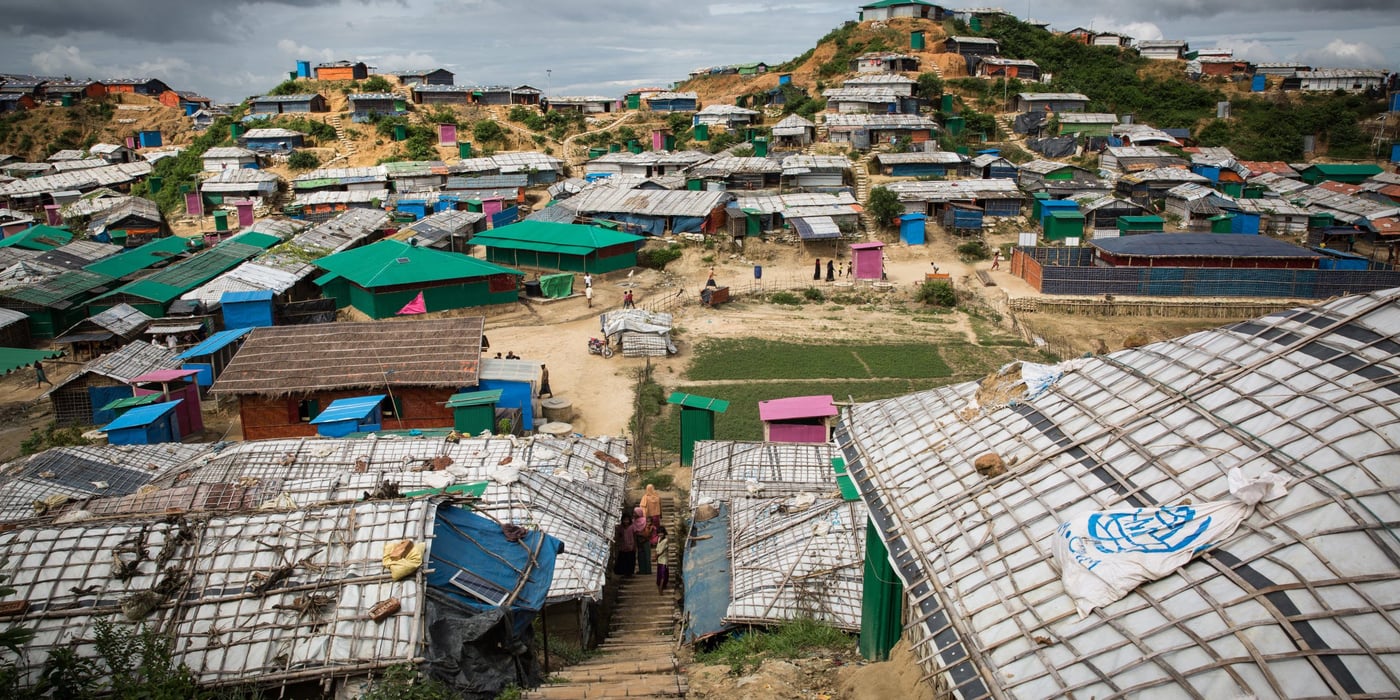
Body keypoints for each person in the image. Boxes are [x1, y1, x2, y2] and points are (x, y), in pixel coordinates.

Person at [633, 506, 652, 575]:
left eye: (635, 513)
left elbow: (649, 530)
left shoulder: (645, 520)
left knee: (647, 555)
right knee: (640, 555)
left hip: (645, 539)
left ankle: (648, 570)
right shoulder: (634, 521)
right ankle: (642, 570)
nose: (634, 514)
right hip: (638, 540)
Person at [653, 525, 670, 593]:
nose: (660, 534)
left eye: (661, 533)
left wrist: (655, 557)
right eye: (659, 533)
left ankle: (660, 588)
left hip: (664, 559)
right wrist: (656, 555)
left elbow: (661, 550)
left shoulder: (665, 540)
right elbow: (657, 548)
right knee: (660, 573)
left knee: (663, 573)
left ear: (664, 533)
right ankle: (661, 585)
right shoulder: (659, 539)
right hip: (659, 559)